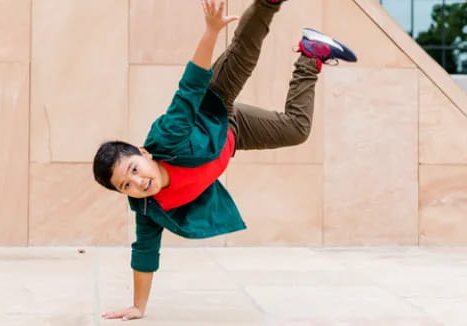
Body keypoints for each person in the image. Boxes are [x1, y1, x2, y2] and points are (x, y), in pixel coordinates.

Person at [93, 0, 357, 321]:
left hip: (212, 104)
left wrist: (210, 31)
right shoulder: (149, 208)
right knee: (296, 129)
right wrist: (138, 306)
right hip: (232, 135)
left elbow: (190, 86)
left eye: (133, 170)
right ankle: (311, 54)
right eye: (126, 185)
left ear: (144, 153)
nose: (137, 182)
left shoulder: (168, 135)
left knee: (244, 54)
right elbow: (145, 253)